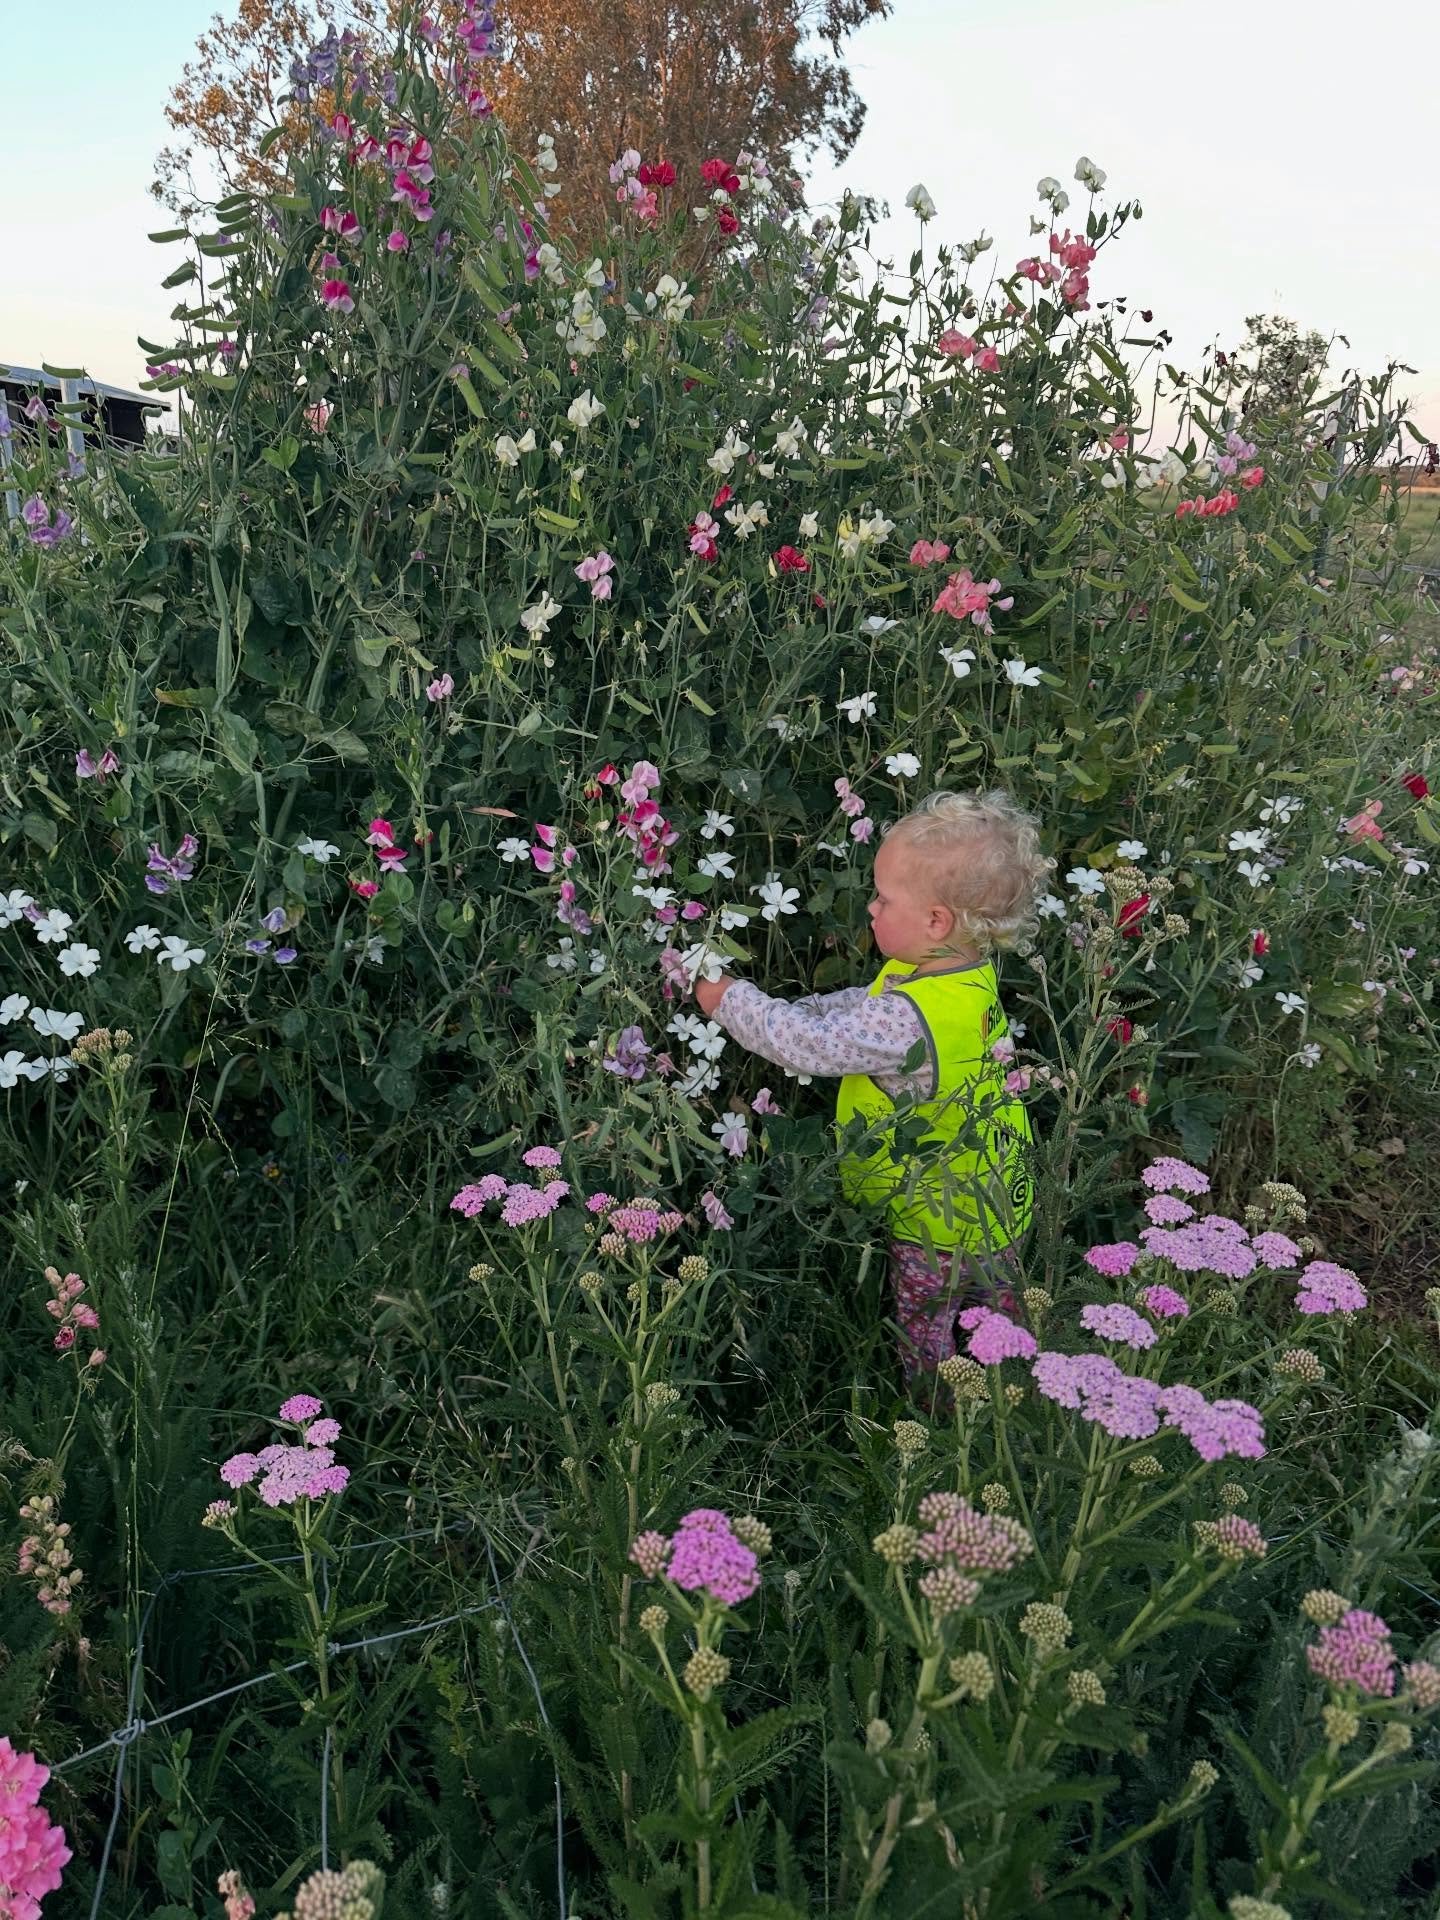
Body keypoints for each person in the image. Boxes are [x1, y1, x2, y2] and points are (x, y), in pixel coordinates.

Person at [692, 789, 1052, 1394]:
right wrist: (798, 1006)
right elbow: (864, 1008)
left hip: (934, 1221)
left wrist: (728, 999)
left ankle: (939, 1414)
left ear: (936, 921)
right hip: (999, 1197)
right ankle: (1012, 1394)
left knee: (926, 1327)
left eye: (884, 898)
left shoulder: (906, 1019)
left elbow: (809, 1046)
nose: (871, 907)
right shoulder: (963, 974)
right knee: (1000, 1319)